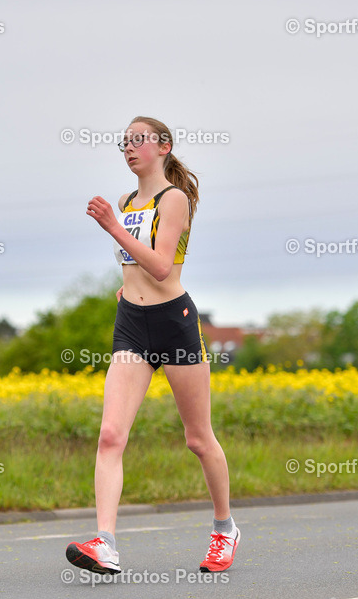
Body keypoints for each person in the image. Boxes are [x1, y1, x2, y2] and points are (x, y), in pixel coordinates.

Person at [66, 116, 239, 575]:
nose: (129, 148)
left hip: (174, 323)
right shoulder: (124, 200)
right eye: (124, 142)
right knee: (110, 435)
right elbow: (136, 266)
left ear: (163, 147)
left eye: (139, 140)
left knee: (198, 440)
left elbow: (163, 267)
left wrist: (113, 229)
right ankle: (105, 543)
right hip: (132, 325)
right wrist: (127, 288)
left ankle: (225, 529)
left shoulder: (174, 198)